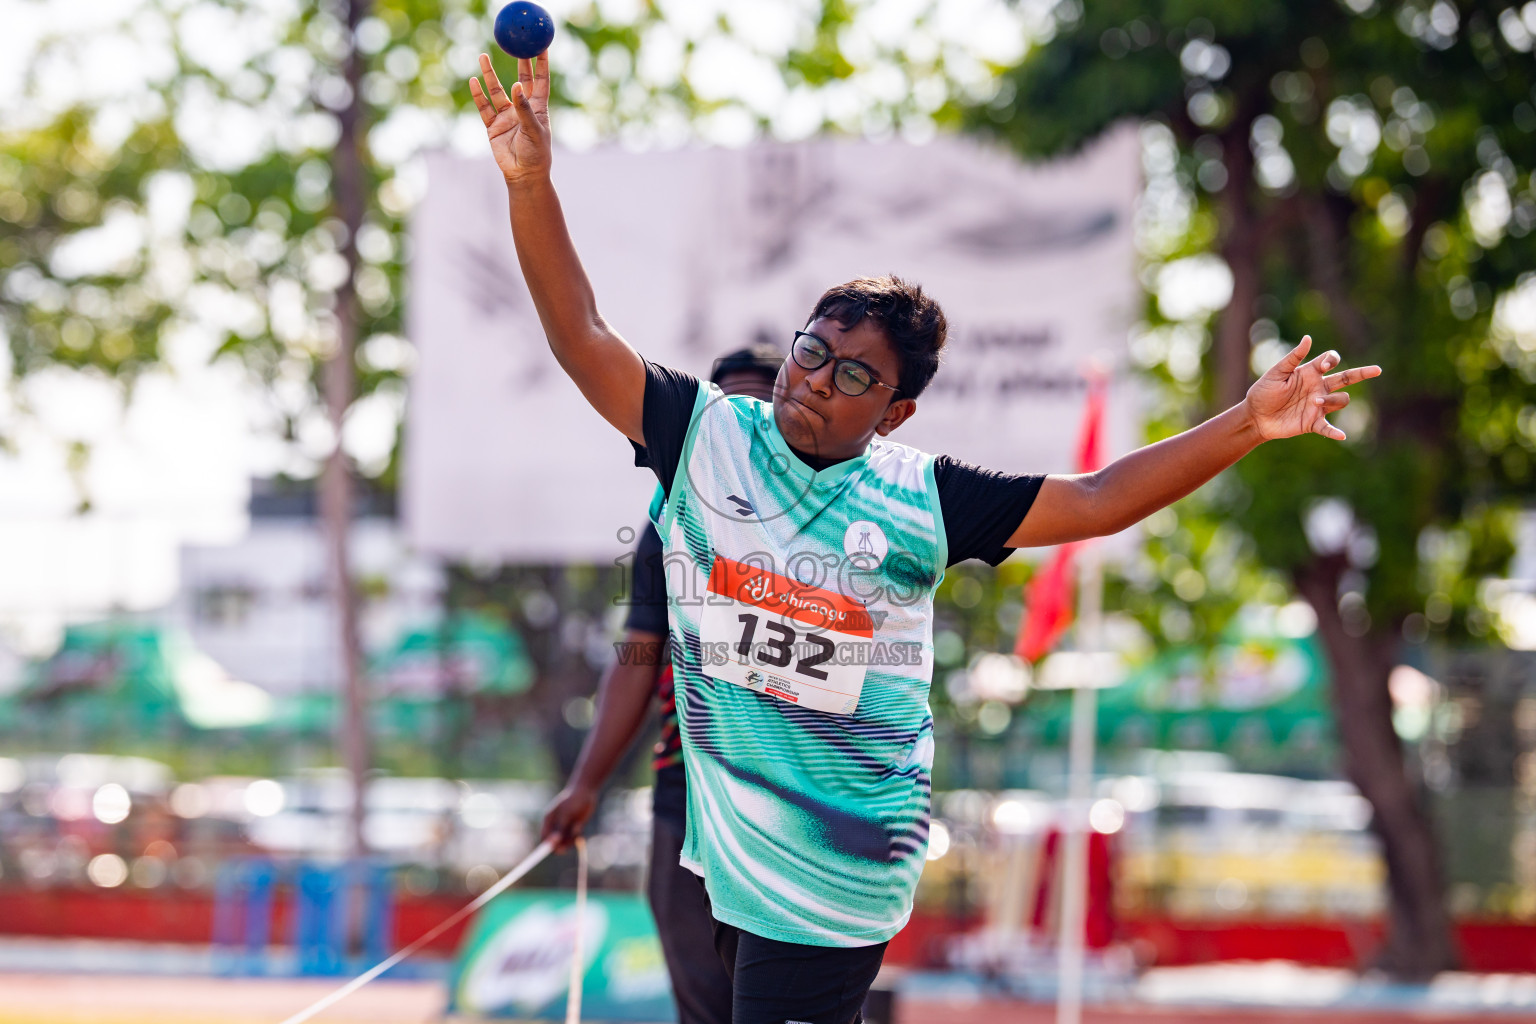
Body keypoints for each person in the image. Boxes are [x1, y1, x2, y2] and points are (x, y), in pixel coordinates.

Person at [469, 51, 1380, 1024]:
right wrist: (531, 184)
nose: (814, 378)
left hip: (838, 861)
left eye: (850, 375)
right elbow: (580, 333)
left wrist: (1246, 421)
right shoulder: (705, 436)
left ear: (894, 412)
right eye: (810, 353)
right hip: (726, 853)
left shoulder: (921, 497)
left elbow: (1100, 497)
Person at [540, 343, 781, 1024]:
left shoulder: (835, 525)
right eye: (727, 412)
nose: (743, 430)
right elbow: (638, 659)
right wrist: (586, 784)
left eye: (760, 411)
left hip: (803, 804)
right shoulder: (670, 523)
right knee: (705, 1006)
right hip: (689, 799)